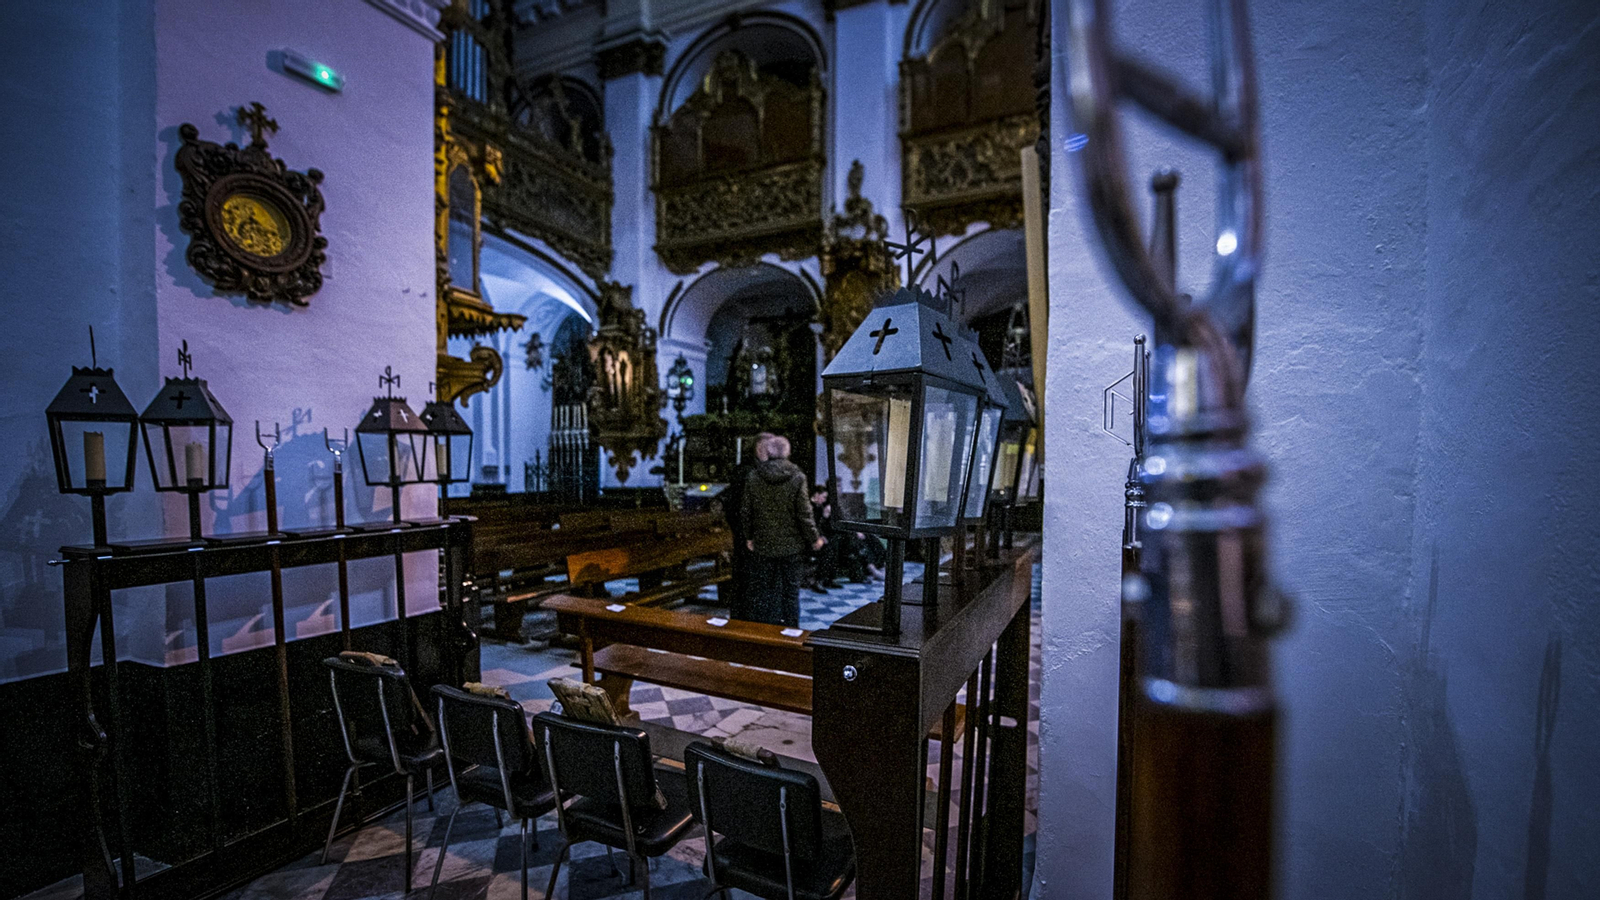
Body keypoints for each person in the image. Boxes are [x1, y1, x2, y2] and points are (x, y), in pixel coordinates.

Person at [742, 435, 824, 627]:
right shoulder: (797, 477)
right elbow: (804, 513)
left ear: (768, 452)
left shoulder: (754, 476)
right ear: (787, 452)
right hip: (791, 546)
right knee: (790, 592)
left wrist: (749, 536)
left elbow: (747, 510)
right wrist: (814, 538)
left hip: (764, 543)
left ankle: (766, 632)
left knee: (765, 591)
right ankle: (791, 631)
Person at [719, 431, 776, 620]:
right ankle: (745, 621)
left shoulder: (763, 469)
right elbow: (738, 506)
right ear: (760, 447)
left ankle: (755, 618)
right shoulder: (746, 471)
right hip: (748, 535)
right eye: (771, 446)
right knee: (748, 581)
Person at [806, 484, 842, 593]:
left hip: (817, 537)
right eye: (823, 497)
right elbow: (811, 525)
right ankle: (818, 581)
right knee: (827, 550)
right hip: (808, 539)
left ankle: (829, 578)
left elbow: (821, 527)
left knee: (834, 544)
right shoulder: (808, 507)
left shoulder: (820, 507)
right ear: (816, 495)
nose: (824, 500)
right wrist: (819, 536)